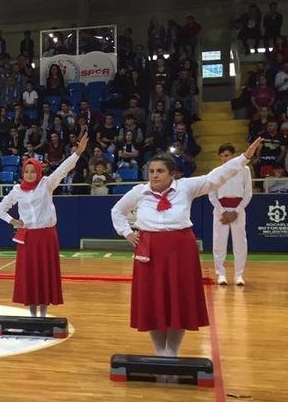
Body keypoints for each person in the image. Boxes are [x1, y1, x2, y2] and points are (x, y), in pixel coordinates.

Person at [110, 138, 262, 358]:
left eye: (160, 171)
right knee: (153, 301)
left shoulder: (185, 188)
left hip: (181, 251)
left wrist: (244, 158)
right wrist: (127, 232)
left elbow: (215, 178)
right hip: (149, 251)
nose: (154, 175)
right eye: (151, 171)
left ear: (173, 174)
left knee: (178, 300)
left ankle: (172, 352)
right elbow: (117, 210)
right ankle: (159, 352)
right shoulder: (138, 192)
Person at [0, 133, 89, 317]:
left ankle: (44, 314)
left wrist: (77, 153)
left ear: (39, 172)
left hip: (46, 237)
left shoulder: (47, 184)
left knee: (45, 274)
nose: (30, 175)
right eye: (26, 172)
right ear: (23, 173)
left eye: (33, 171)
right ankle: (32, 315)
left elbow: (63, 169)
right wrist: (12, 221)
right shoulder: (16, 190)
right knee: (30, 275)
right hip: (27, 238)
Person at [208, 144, 253, 286]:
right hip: (220, 210)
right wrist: (223, 211)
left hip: (238, 210)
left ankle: (239, 275)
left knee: (240, 243)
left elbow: (248, 193)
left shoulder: (244, 170)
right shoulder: (216, 171)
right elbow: (212, 194)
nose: (224, 159)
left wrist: (236, 211)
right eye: (221, 156)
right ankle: (221, 274)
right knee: (219, 243)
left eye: (227, 155)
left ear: (233, 155)